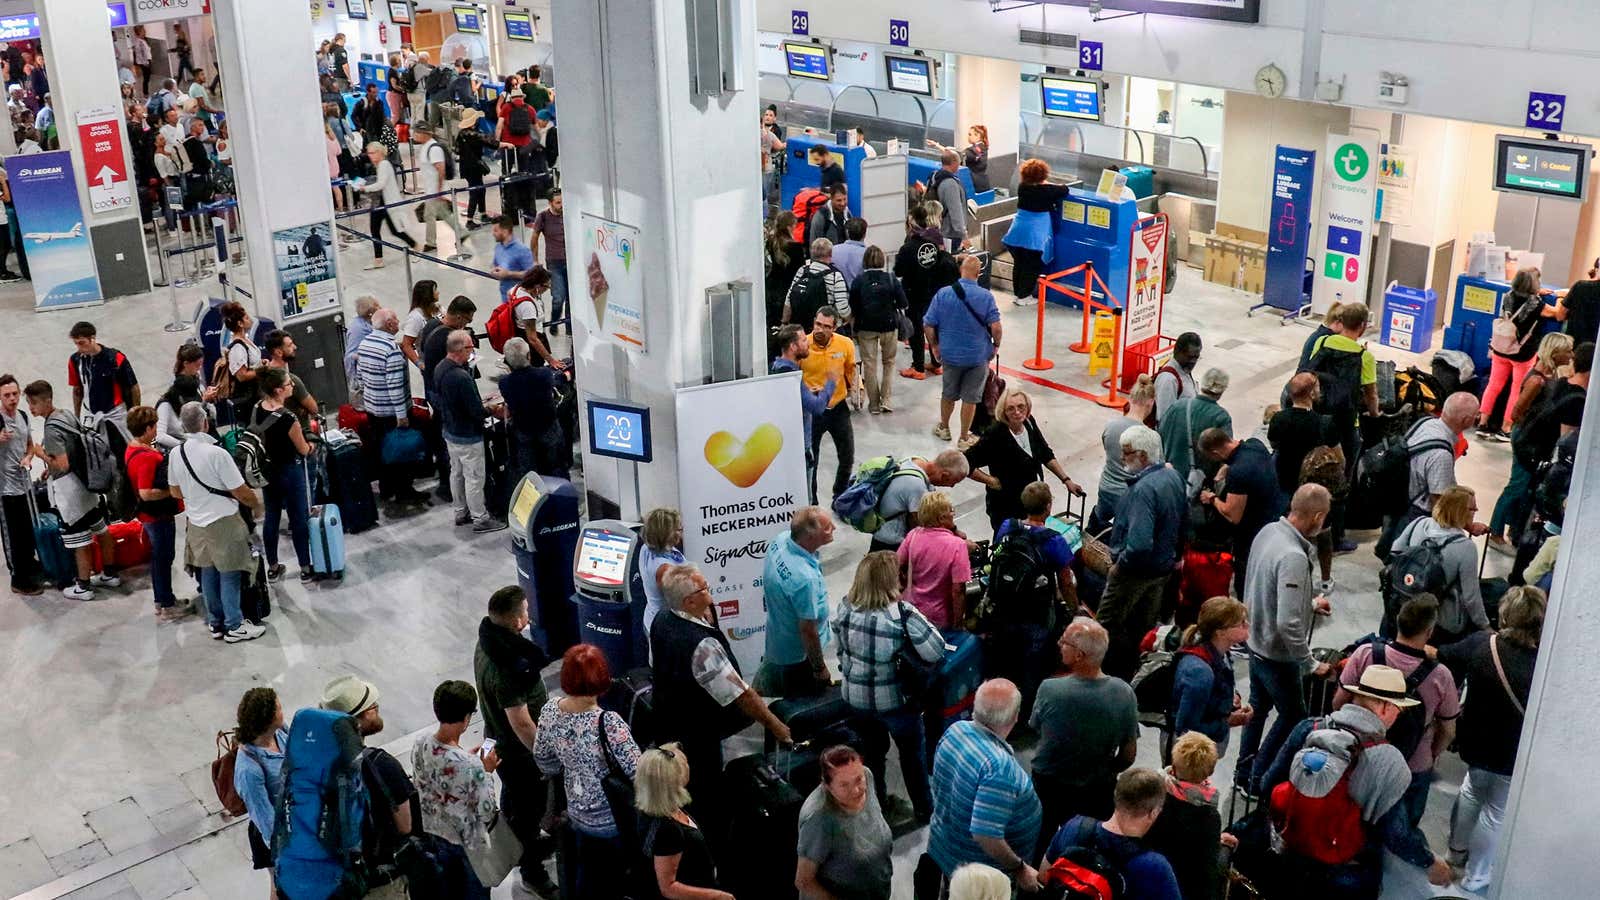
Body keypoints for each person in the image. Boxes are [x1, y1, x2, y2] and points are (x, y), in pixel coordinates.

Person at [1256, 664, 1453, 896]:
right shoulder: (1389, 761)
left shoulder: (1308, 729)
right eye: (1398, 708)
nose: (1399, 714)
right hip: (1346, 872)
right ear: (1384, 706)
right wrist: (1429, 861)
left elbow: (1268, 785)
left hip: (1290, 855)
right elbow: (1396, 834)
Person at [651, 563, 792, 839]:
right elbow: (740, 694)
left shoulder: (662, 618)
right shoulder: (702, 646)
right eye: (705, 589)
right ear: (689, 600)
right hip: (698, 735)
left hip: (668, 720)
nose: (711, 593)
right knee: (706, 793)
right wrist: (776, 726)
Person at [1440, 585, 1545, 894]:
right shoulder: (1542, 665)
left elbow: (1443, 655)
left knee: (1471, 792)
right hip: (1513, 751)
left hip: (1477, 741)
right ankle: (1477, 874)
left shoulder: (1482, 645)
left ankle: (1454, 853)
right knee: (1496, 812)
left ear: (1505, 614)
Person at [834, 551, 945, 823]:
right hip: (897, 702)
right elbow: (935, 649)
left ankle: (879, 807)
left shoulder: (845, 607)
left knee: (871, 757)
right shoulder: (903, 616)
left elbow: (839, 651)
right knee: (912, 757)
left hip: (856, 700)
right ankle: (924, 809)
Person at [1335, 595, 1460, 831]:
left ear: (1398, 622)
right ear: (1429, 631)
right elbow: (1449, 730)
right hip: (1412, 765)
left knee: (1353, 826)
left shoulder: (1365, 654)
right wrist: (1430, 754)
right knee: (1402, 833)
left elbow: (1338, 703)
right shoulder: (1441, 675)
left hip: (1359, 756)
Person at [1238, 483, 1332, 791]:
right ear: (1317, 516)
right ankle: (1258, 779)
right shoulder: (1293, 556)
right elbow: (1288, 623)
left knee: (1257, 708)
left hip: (1255, 641)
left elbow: (1269, 590)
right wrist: (1309, 663)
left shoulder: (1268, 532)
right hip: (1278, 655)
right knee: (1294, 716)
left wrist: (1310, 603)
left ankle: (1243, 773)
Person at [535, 644, 644, 899]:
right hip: (614, 820)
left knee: (588, 875)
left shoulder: (550, 711)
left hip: (576, 812)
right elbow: (639, 773)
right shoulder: (609, 723)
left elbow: (543, 760)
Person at [474, 586, 560, 897]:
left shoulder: (487, 643)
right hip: (519, 755)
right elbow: (522, 723)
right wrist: (547, 756)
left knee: (512, 802)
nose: (529, 614)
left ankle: (515, 845)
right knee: (529, 812)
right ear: (516, 621)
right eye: (525, 610)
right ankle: (532, 872)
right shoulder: (509, 668)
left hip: (495, 740)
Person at [1030, 618, 1138, 846]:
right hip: (1097, 789)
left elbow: (1036, 728)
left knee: (1041, 840)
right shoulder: (1124, 693)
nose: (1059, 643)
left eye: (1065, 641)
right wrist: (1103, 771)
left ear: (1079, 655)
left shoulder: (1050, 689)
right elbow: (1129, 755)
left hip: (1050, 786)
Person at [927, 679, 1042, 891]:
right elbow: (985, 834)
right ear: (1015, 717)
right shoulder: (997, 766)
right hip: (979, 875)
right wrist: (1019, 868)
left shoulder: (956, 730)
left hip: (947, 849)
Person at [167, 402, 265, 640]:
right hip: (223, 522)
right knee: (230, 572)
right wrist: (257, 505)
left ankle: (216, 622)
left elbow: (175, 492)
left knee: (208, 573)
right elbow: (240, 491)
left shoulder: (175, 454)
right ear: (206, 423)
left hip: (196, 524)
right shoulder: (217, 454)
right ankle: (234, 625)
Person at [319, 676, 419, 899]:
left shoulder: (316, 764)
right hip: (378, 881)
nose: (377, 710)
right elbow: (405, 826)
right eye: (373, 707)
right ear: (357, 721)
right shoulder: (381, 765)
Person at [1100, 425, 1187, 681]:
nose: (1122, 459)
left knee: (1106, 626)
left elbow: (1138, 544)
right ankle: (1131, 674)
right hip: (1161, 570)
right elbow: (1183, 522)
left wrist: (1119, 566)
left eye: (1126, 454)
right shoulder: (1173, 478)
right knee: (1142, 627)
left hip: (1133, 573)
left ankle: (1102, 676)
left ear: (1142, 455)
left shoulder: (1143, 490)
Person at [989, 482, 1079, 715]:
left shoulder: (1007, 526)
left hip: (1004, 607)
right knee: (1033, 662)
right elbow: (1066, 581)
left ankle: (1002, 705)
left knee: (1006, 658)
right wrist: (1073, 609)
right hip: (1035, 612)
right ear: (1048, 507)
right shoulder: (1053, 539)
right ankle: (1026, 712)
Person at [26, 380, 119, 602]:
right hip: (87, 484)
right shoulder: (66, 414)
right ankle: (110, 574)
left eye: (33, 403)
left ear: (46, 401)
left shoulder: (50, 429)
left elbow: (63, 464)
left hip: (70, 491)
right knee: (102, 529)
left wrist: (40, 454)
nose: (31, 408)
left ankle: (84, 586)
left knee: (80, 540)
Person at [412, 680, 497, 900]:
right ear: (468, 718)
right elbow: (486, 811)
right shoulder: (471, 765)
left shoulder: (420, 743)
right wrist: (485, 772)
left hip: (433, 835)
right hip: (467, 845)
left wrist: (468, 760)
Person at [1490, 331, 1575, 549]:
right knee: (1517, 486)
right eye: (1568, 351)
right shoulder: (1537, 380)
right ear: (1555, 353)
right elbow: (1517, 412)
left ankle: (1512, 530)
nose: (1571, 355)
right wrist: (1531, 428)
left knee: (1526, 488)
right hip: (1527, 440)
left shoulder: (1551, 376)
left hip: (1535, 441)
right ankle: (1495, 532)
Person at [1043, 768, 1182, 900]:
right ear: (1154, 813)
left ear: (1116, 796)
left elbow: (1043, 875)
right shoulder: (1155, 866)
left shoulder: (1075, 826)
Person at [1377, 391, 1482, 562]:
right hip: (1416, 517)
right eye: (1475, 414)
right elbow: (1440, 503)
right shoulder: (1441, 455)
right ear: (1465, 420)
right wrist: (1467, 526)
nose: (1478, 417)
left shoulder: (1426, 423)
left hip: (1398, 502)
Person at [964, 388, 1083, 532]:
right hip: (1007, 508)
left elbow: (1045, 452)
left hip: (1033, 502)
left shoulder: (1029, 423)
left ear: (1028, 407)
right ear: (1003, 412)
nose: (1017, 412)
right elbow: (965, 463)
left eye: (1021, 407)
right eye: (1010, 408)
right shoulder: (995, 434)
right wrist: (990, 481)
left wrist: (1066, 480)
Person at [1388, 486, 1491, 643]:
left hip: (1404, 604)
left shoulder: (1420, 523)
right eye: (1473, 509)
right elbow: (1471, 597)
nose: (1475, 511)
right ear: (1461, 512)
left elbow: (1396, 550)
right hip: (1439, 621)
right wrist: (1485, 626)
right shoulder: (1465, 547)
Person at [796, 745, 894, 900]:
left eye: (858, 779)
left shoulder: (867, 776)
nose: (856, 790)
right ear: (827, 785)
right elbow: (804, 881)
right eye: (844, 785)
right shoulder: (818, 818)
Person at [1142, 732, 1233, 900]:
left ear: (1174, 765)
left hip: (1148, 874)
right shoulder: (1209, 816)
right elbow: (1207, 869)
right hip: (1183, 884)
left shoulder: (1152, 790)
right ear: (1209, 773)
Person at [757, 506, 837, 697]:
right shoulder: (804, 580)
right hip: (798, 659)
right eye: (827, 527)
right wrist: (819, 668)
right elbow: (808, 631)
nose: (834, 527)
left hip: (778, 638)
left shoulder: (782, 540)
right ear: (810, 537)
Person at [635, 743, 732, 900]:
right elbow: (668, 887)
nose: (688, 767)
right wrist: (716, 896)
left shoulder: (654, 805)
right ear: (674, 781)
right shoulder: (668, 830)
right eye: (685, 765)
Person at [924, 254, 1001, 449]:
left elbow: (929, 323)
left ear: (961, 271)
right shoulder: (986, 296)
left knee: (948, 393)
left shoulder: (943, 294)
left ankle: (944, 427)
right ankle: (964, 437)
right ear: (978, 273)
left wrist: (934, 346)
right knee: (971, 398)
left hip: (949, 355)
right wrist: (996, 345)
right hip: (977, 356)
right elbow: (996, 327)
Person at [1196, 427, 1281, 596]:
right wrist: (1227, 467)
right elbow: (1251, 466)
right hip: (1274, 518)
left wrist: (1212, 498)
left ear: (1214, 452)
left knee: (1245, 581)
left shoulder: (1238, 473)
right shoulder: (1255, 445)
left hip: (1252, 535)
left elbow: (1233, 515)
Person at [437, 329, 507, 533]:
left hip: (450, 431)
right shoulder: (461, 377)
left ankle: (460, 511)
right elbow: (476, 411)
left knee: (456, 473)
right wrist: (492, 409)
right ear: (460, 349)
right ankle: (480, 518)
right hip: (468, 436)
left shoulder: (441, 367)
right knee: (474, 477)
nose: (472, 352)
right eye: (470, 348)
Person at [357, 309, 429, 505]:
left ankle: (386, 488)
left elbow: (360, 377)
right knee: (400, 452)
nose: (399, 322)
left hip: (373, 409)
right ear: (389, 324)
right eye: (396, 318)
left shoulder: (365, 343)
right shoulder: (391, 350)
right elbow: (395, 386)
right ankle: (404, 491)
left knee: (382, 449)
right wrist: (401, 416)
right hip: (392, 413)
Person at [124, 406, 188, 620]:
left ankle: (163, 599)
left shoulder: (131, 449)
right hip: (157, 516)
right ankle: (167, 605)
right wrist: (172, 491)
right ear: (148, 428)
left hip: (148, 517)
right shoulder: (148, 457)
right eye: (154, 426)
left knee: (160, 559)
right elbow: (145, 493)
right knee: (163, 558)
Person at [250, 368, 313, 582]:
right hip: (289, 472)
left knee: (272, 518)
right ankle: (305, 567)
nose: (292, 387)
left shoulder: (257, 408)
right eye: (288, 385)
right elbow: (303, 449)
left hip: (268, 472)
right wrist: (312, 444)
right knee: (298, 519)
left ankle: (273, 567)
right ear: (278, 390)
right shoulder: (288, 418)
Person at [1169, 597, 1251, 757]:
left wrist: (1229, 701)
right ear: (1220, 632)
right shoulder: (1199, 672)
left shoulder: (1221, 653)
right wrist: (1227, 721)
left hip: (1203, 746)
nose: (1247, 625)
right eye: (1241, 623)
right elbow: (1186, 728)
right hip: (1189, 754)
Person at [1479, 268, 1554, 440]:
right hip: (1523, 354)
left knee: (1493, 385)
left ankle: (1483, 423)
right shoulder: (1537, 305)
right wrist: (1562, 298)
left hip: (1501, 348)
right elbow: (1557, 313)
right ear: (1535, 284)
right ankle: (1506, 428)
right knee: (1516, 390)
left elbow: (1520, 299)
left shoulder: (1507, 296)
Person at [771, 324, 837, 502]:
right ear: (793, 347)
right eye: (802, 340)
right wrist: (830, 385)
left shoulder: (776, 368)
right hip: (799, 447)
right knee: (804, 501)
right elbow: (816, 408)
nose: (807, 343)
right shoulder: (790, 376)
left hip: (785, 445)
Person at [232, 688, 288, 896]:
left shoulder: (280, 732)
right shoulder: (249, 769)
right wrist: (285, 852)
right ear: (268, 718)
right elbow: (265, 818)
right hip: (275, 835)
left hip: (295, 817)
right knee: (280, 885)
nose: (283, 711)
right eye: (279, 708)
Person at [800, 306, 858, 501]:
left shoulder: (845, 344)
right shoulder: (802, 346)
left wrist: (858, 388)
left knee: (847, 455)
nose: (820, 329)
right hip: (812, 411)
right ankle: (812, 500)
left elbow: (851, 369)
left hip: (838, 407)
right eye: (817, 324)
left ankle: (840, 495)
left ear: (834, 328)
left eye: (826, 326)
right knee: (811, 459)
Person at [896, 202, 957, 379]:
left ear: (911, 224)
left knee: (916, 331)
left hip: (913, 294)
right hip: (932, 292)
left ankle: (919, 368)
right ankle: (937, 364)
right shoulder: (933, 243)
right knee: (933, 327)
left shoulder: (907, 248)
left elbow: (898, 270)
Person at [867, 449, 970, 553]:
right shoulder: (916, 486)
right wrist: (955, 542)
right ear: (944, 475)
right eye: (953, 482)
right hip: (890, 544)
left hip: (881, 531)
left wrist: (954, 530)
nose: (952, 486)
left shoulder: (915, 461)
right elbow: (923, 526)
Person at [1003, 159, 1075, 307]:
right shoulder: (1046, 191)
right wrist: (1047, 183)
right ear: (1043, 175)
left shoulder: (1022, 187)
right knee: (1031, 266)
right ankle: (1025, 297)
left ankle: (1018, 294)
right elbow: (1064, 189)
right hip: (1033, 236)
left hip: (1017, 231)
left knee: (1019, 264)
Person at [1090, 374, 1157, 533]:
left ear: (1131, 398)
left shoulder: (1111, 426)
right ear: (1151, 402)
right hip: (1130, 496)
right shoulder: (1150, 437)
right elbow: (1155, 471)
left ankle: (1091, 542)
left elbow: (1107, 447)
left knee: (1098, 524)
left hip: (1106, 487)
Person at [897, 492, 972, 630]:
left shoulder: (913, 535)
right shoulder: (957, 545)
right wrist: (959, 624)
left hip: (911, 611)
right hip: (940, 617)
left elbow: (895, 565)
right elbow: (958, 590)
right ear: (941, 518)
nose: (953, 514)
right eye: (951, 510)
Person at [849, 245, 907, 414]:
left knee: (869, 364)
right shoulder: (891, 279)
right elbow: (903, 303)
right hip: (889, 325)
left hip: (865, 327)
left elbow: (853, 306)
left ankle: (873, 404)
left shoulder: (858, 281)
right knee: (889, 363)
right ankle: (886, 400)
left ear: (865, 261)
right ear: (882, 260)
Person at [498, 338, 567, 480]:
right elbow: (555, 383)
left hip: (523, 431)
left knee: (528, 470)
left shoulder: (505, 383)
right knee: (556, 465)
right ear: (529, 356)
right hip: (548, 428)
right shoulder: (544, 374)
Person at [0, 375, 44, 595]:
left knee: (28, 531)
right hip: (5, 489)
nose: (12, 398)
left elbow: (28, 445)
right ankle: (18, 578)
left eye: (15, 394)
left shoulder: (23, 417)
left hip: (24, 485)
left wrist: (28, 457)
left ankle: (29, 565)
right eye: (7, 395)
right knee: (13, 535)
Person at [1158, 367, 1232, 486]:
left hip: (1169, 477)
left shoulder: (1178, 406)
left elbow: (1160, 433)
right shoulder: (1221, 417)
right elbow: (1226, 453)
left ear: (1202, 384)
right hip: (1199, 485)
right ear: (1222, 390)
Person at [67, 321, 140, 439]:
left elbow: (133, 386)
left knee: (127, 447)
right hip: (90, 414)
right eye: (76, 344)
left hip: (116, 413)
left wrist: (136, 412)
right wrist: (77, 416)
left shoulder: (115, 358)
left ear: (92, 338)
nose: (79, 348)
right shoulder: (75, 360)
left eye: (82, 343)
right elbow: (77, 389)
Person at [354, 141, 417, 270]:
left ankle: (415, 246)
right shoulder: (381, 165)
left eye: (372, 153)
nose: (370, 156)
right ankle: (379, 259)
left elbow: (381, 184)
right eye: (369, 153)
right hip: (380, 202)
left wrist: (364, 188)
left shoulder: (384, 164)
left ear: (379, 152)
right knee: (376, 230)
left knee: (394, 231)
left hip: (386, 203)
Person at [412, 123, 470, 258]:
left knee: (432, 215)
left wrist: (439, 190)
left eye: (416, 133)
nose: (414, 135)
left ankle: (432, 242)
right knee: (441, 215)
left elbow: (441, 169)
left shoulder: (433, 149)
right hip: (432, 190)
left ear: (424, 133)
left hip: (435, 190)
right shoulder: (427, 147)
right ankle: (460, 233)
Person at [638, 507, 686, 638]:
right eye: (677, 529)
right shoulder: (665, 569)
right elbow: (684, 601)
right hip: (667, 630)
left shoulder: (646, 548)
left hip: (652, 620)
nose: (680, 532)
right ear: (665, 534)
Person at [505, 267, 563, 368]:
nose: (547, 289)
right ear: (537, 286)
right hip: (532, 349)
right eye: (546, 286)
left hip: (519, 336)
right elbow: (533, 339)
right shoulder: (528, 307)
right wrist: (551, 360)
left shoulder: (515, 289)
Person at [785, 238, 851, 327]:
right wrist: (848, 318)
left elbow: (789, 298)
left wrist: (784, 321)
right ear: (830, 254)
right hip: (824, 328)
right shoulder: (835, 276)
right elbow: (842, 308)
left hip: (801, 326)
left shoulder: (802, 271)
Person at [262, 330, 319, 432]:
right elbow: (314, 408)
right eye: (290, 345)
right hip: (300, 436)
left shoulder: (263, 376)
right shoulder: (291, 381)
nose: (295, 347)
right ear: (278, 352)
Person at [530, 189, 569, 333]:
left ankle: (570, 328)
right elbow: (534, 238)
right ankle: (554, 322)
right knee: (558, 296)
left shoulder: (568, 214)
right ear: (550, 203)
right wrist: (535, 260)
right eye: (558, 203)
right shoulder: (543, 217)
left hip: (571, 262)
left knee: (571, 297)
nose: (561, 205)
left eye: (562, 202)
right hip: (554, 263)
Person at [766, 212, 806, 326]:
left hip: (771, 287)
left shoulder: (771, 242)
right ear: (790, 226)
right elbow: (800, 270)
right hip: (788, 289)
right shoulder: (795, 248)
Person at [927, 150, 971, 252]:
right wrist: (964, 235)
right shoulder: (951, 184)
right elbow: (955, 211)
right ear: (954, 162)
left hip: (937, 230)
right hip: (951, 235)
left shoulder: (934, 177)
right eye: (959, 163)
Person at [1153, 332, 1202, 425]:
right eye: (1190, 357)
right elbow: (1164, 419)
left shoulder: (1185, 371)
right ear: (1177, 352)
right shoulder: (1168, 380)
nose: (1193, 361)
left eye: (1197, 357)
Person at [456, 108, 492, 228]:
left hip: (467, 166)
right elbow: (490, 142)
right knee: (475, 191)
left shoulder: (461, 134)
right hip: (473, 167)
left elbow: (456, 149)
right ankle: (470, 220)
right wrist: (505, 144)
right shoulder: (473, 134)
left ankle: (483, 213)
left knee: (480, 189)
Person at [928, 126, 991, 192]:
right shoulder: (980, 147)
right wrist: (937, 145)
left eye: (970, 134)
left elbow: (958, 155)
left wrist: (938, 146)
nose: (968, 137)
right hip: (978, 182)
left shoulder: (976, 150)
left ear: (978, 136)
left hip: (976, 184)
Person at [490, 215, 535, 302]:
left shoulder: (522, 250)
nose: (493, 233)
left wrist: (509, 274)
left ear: (505, 231)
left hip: (520, 299)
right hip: (505, 298)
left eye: (496, 230)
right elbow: (495, 264)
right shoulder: (498, 247)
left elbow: (532, 274)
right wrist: (494, 270)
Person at [1555, 257, 1600, 344]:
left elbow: (1560, 316)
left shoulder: (1580, 286)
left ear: (1596, 269)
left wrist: (1560, 297)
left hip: (1573, 345)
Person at [400, 279, 440, 369]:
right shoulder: (415, 317)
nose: (438, 292)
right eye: (435, 290)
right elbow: (406, 345)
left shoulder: (437, 309)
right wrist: (420, 364)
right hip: (430, 364)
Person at [343, 295, 381, 388]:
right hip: (363, 380)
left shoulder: (370, 323)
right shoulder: (359, 329)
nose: (380, 308)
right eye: (378, 306)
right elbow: (351, 356)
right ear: (370, 312)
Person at [831, 217, 868, 288]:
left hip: (837, 294)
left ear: (847, 232)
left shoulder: (833, 250)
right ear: (864, 234)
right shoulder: (868, 254)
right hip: (859, 295)